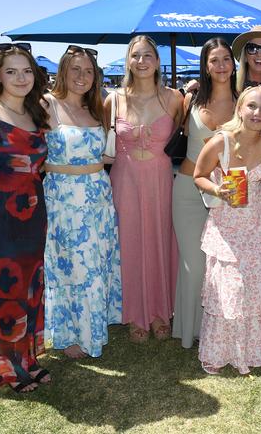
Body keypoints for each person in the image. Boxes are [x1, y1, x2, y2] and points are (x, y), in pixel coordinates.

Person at [0, 43, 50, 392]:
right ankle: (5, 368)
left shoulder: (36, 112)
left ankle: (26, 358)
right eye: (12, 71)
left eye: (27, 70)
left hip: (33, 215)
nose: (20, 77)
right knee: (4, 290)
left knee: (30, 289)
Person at [194, 86, 261, 374]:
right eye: (252, 106)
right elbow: (198, 176)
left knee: (255, 286)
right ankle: (219, 349)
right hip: (228, 222)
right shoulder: (220, 141)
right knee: (228, 286)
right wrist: (218, 189)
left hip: (259, 221)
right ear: (240, 109)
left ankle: (255, 346)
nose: (257, 113)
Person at [43, 45, 122, 359]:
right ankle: (70, 333)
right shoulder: (46, 104)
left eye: (88, 71)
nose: (82, 76)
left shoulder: (97, 107)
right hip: (64, 200)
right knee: (69, 269)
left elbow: (102, 154)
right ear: (63, 71)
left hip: (98, 198)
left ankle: (92, 326)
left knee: (94, 267)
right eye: (75, 69)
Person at [106, 35, 182, 342]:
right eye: (135, 55)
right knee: (130, 242)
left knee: (160, 239)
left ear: (157, 60)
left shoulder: (175, 98)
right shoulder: (114, 99)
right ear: (128, 60)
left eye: (147, 55)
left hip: (161, 180)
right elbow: (102, 142)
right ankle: (135, 313)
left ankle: (160, 311)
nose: (141, 61)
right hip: (124, 181)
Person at [172, 38, 238, 349]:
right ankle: (189, 332)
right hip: (187, 189)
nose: (222, 65)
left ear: (234, 64)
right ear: (206, 66)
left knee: (224, 264)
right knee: (194, 263)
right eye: (215, 60)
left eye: (227, 58)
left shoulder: (245, 101)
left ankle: (220, 329)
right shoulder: (190, 101)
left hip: (229, 194)